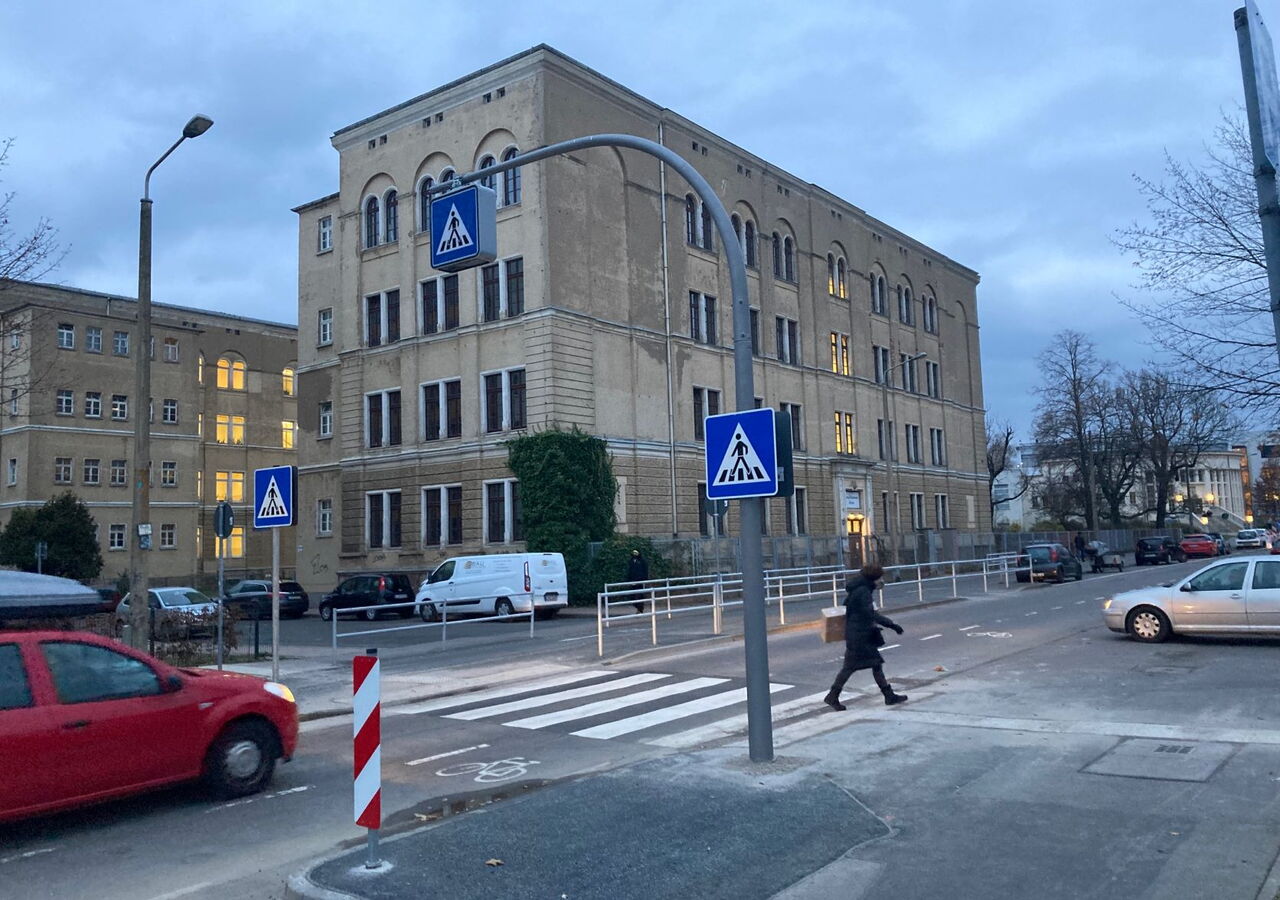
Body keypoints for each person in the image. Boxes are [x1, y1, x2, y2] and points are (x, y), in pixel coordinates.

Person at [825, 564, 907, 710]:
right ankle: (833, 696)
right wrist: (892, 625)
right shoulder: (863, 591)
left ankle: (888, 695)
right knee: (859, 666)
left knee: (870, 665)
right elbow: (871, 613)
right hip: (860, 636)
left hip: (857, 633)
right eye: (880, 577)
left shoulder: (859, 588)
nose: (881, 580)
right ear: (874, 578)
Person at [626, 548, 649, 614]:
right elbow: (629, 571)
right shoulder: (631, 561)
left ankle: (640, 609)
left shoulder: (642, 561)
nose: (635, 554)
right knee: (632, 596)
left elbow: (645, 570)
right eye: (634, 553)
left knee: (640, 595)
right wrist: (628, 579)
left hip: (640, 581)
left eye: (636, 553)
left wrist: (644, 579)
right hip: (632, 581)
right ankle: (637, 606)